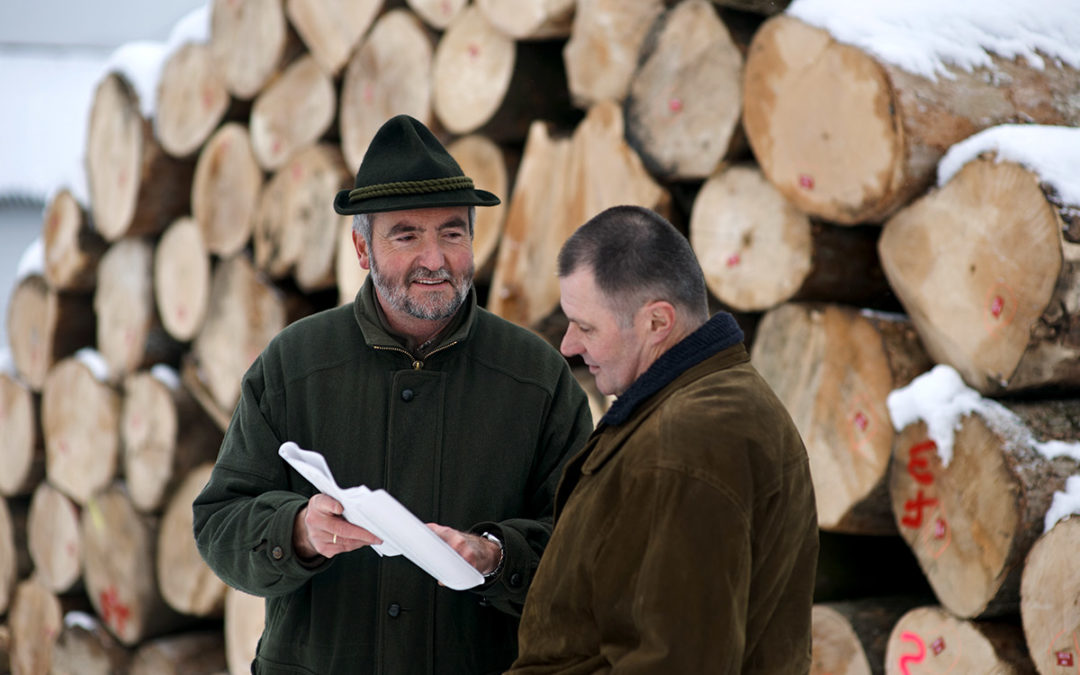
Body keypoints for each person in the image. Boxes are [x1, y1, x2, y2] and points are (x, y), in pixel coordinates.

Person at [192, 114, 593, 675]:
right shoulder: (294, 363)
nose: (435, 258)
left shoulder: (537, 376)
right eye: (406, 235)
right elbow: (218, 525)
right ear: (362, 248)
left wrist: (499, 558)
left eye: (452, 232)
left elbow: (588, 545)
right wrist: (298, 532)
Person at [508, 205, 819, 674]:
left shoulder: (687, 442)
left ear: (657, 323)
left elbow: (673, 662)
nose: (568, 345)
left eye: (586, 326)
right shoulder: (705, 402)